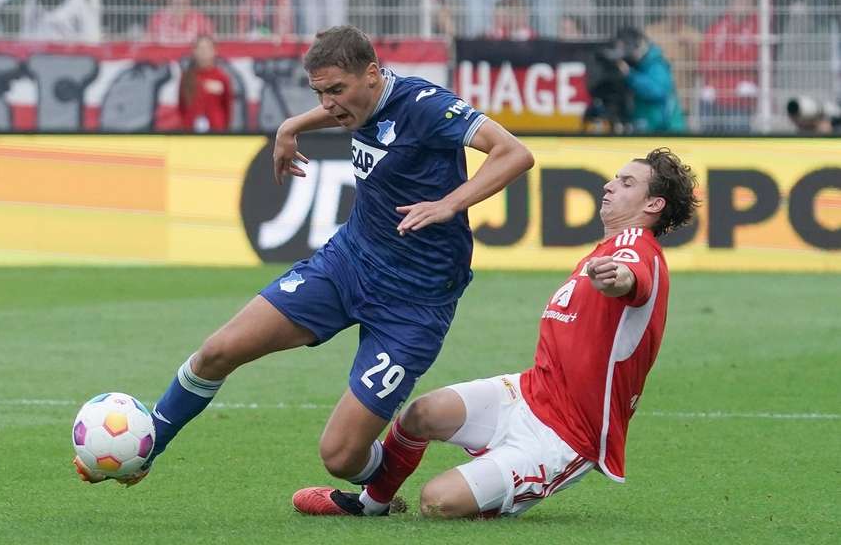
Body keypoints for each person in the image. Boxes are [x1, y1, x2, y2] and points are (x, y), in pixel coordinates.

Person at [73, 26, 536, 509]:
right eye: (319, 92)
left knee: (339, 455)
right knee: (217, 351)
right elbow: (338, 109)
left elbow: (514, 153)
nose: (331, 104)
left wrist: (448, 203)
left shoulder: (426, 106)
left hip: (415, 303)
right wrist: (291, 126)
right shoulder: (358, 102)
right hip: (348, 263)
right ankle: (149, 449)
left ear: (373, 75)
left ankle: (379, 490)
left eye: (336, 90)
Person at [292, 147, 700, 517]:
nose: (610, 185)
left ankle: (498, 488)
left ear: (653, 204)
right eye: (615, 177)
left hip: (565, 436)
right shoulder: (603, 250)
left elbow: (633, 276)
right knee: (421, 414)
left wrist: (619, 278)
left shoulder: (636, 247)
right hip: (528, 391)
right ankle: (371, 504)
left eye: (627, 182)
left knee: (438, 502)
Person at [698, 0, 758, 133]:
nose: (742, 6)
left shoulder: (758, 30)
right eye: (740, 0)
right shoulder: (717, 27)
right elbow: (705, 61)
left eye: (747, 2)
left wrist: (724, 65)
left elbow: (753, 62)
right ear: (732, 1)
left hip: (740, 99)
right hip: (714, 94)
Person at [613, 27, 686, 133]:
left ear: (639, 44)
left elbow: (657, 91)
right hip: (648, 127)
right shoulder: (637, 65)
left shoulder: (656, 64)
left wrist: (630, 75)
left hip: (666, 129)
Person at [177, 35, 233, 133]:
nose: (204, 52)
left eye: (207, 48)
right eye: (200, 48)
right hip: (190, 131)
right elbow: (181, 106)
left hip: (216, 132)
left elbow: (227, 107)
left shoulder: (222, 77)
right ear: (194, 52)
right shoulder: (186, 77)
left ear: (215, 51)